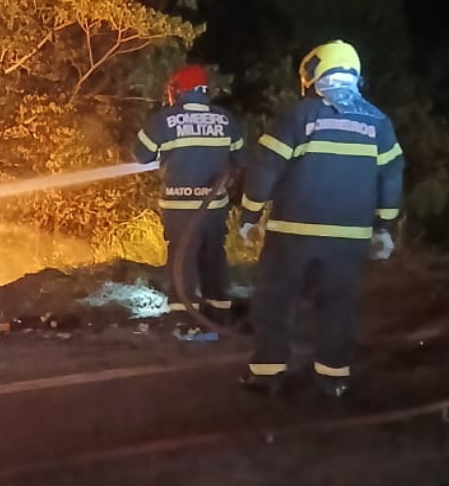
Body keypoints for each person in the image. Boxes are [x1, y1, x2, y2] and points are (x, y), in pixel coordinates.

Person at [237, 40, 404, 398]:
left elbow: (265, 166)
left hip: (292, 234)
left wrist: (249, 215)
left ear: (313, 73)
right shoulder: (379, 122)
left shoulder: (300, 115)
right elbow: (392, 175)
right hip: (350, 238)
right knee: (338, 305)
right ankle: (333, 378)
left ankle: (268, 375)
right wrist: (384, 229)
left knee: (275, 301)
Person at [133, 64, 245, 326]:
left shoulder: (165, 119)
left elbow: (140, 155)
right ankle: (218, 311)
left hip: (179, 206)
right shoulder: (226, 119)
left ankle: (184, 317)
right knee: (213, 254)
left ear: (179, 90)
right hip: (214, 207)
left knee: (182, 257)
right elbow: (240, 159)